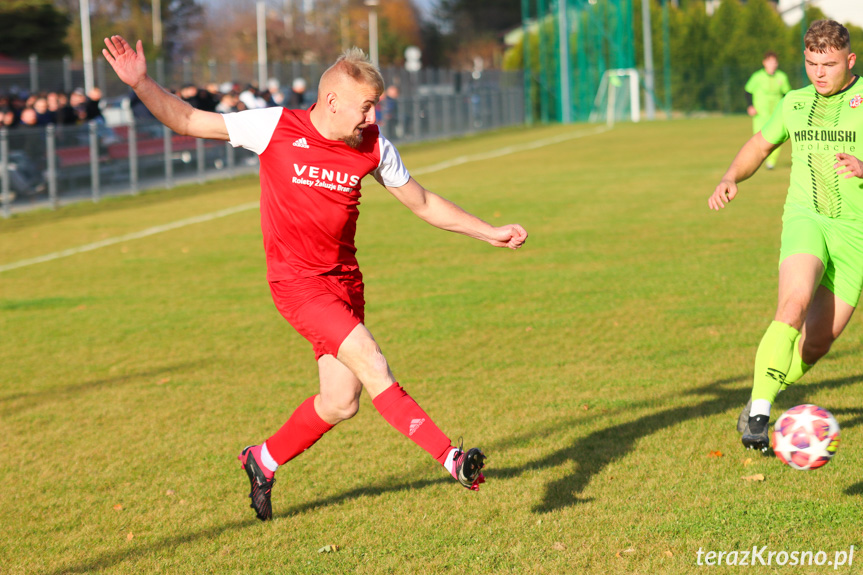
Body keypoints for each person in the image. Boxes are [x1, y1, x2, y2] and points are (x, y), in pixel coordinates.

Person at [102, 35, 528, 520]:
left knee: (341, 401)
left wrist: (487, 232)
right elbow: (186, 120)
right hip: (298, 286)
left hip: (346, 283)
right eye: (366, 107)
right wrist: (141, 83)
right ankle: (452, 459)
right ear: (332, 101)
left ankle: (261, 460)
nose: (373, 118)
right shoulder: (275, 126)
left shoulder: (373, 146)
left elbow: (423, 202)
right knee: (372, 362)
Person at [708, 20, 863, 452]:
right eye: (812, 63)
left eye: (829, 64)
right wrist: (730, 176)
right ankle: (759, 414)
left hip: (855, 235)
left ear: (849, 61)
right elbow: (760, 145)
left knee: (817, 344)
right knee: (791, 305)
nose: (819, 73)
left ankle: (764, 392)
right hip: (806, 217)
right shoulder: (795, 103)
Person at [744, 51, 792, 170]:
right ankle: (758, 160)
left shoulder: (782, 77)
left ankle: (771, 162)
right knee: (758, 139)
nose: (772, 65)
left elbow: (787, 94)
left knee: (776, 138)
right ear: (764, 63)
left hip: (776, 114)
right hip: (760, 114)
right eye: (770, 62)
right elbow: (747, 91)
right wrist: (750, 106)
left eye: (774, 62)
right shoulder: (757, 77)